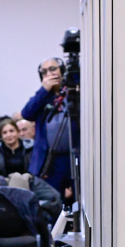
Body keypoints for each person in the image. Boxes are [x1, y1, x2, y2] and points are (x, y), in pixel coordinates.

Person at [22, 57, 79, 202]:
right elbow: (26, 113)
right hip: (51, 161)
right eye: (44, 71)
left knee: (80, 201)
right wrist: (43, 90)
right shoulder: (43, 97)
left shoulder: (74, 93)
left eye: (53, 69)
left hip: (76, 156)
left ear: (62, 71)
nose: (49, 73)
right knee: (52, 204)